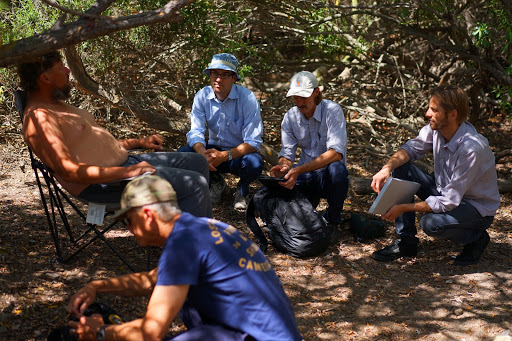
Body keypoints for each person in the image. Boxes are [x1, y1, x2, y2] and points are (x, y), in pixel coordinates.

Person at [66, 175, 303, 341]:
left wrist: (100, 334)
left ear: (147, 215)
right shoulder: (202, 229)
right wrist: (96, 286)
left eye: (128, 220)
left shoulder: (183, 243)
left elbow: (151, 332)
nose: (128, 228)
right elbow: (152, 280)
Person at [18, 51, 212, 218]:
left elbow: (93, 145)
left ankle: (171, 233)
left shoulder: (57, 106)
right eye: (62, 67)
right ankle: (193, 253)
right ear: (45, 78)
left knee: (198, 162)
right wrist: (129, 172)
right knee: (195, 184)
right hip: (104, 185)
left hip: (123, 167)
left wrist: (138, 142)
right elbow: (68, 171)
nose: (68, 71)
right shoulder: (39, 119)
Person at [371, 84, 500, 266]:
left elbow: (448, 201)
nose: (427, 114)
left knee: (431, 223)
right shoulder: (436, 129)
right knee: (402, 167)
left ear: (452, 114)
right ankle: (406, 242)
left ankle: (476, 238)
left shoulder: (471, 148)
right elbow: (410, 149)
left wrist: (403, 207)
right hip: (445, 191)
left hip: (475, 208)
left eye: (434, 110)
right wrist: (386, 168)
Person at [178, 53, 263, 210]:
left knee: (255, 163)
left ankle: (242, 190)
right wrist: (203, 153)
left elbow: (253, 142)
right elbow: (195, 131)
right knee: (184, 154)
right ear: (209, 75)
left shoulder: (247, 98)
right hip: (212, 151)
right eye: (215, 73)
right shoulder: (202, 96)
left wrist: (226, 156)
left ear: (234, 78)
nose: (218, 79)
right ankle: (214, 181)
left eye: (225, 74)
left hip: (237, 154)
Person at [270, 71, 349, 228]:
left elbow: (336, 153)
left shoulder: (332, 111)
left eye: (304, 97)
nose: (299, 103)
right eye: (296, 98)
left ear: (316, 92)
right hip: (304, 177)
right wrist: (284, 167)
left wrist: (298, 170)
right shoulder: (291, 116)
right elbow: (287, 152)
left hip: (326, 177)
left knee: (337, 169)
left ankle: (333, 218)